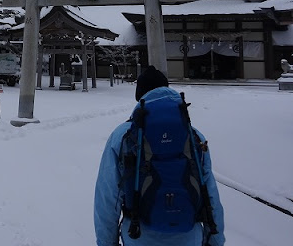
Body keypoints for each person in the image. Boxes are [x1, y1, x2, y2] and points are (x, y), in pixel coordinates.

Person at [94, 65, 225, 246]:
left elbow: (108, 198)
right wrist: (215, 240)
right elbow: (210, 194)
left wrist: (107, 243)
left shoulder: (123, 136)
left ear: (140, 97)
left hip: (139, 237)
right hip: (189, 236)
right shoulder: (193, 135)